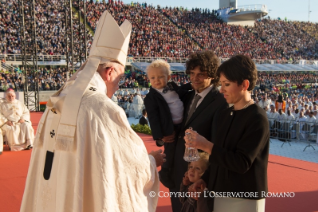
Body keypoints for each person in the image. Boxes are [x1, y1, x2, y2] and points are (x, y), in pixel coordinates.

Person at [20, 11, 165, 212]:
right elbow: (128, 165)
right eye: (120, 79)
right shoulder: (101, 107)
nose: (117, 86)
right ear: (109, 72)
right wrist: (151, 162)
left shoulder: (57, 100)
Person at [185, 55, 269, 212]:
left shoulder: (257, 118)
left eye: (227, 84)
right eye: (221, 84)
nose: (221, 89)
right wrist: (205, 179)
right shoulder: (224, 114)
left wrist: (206, 145)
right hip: (220, 193)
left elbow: (241, 163)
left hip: (245, 197)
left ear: (244, 84)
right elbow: (219, 158)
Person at [169, 51, 228, 212]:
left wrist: (204, 177)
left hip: (199, 177)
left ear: (213, 76)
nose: (195, 78)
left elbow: (217, 143)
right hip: (179, 172)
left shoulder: (221, 102)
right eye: (192, 73)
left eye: (201, 74)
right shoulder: (187, 96)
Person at [144, 59, 190, 189]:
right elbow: (153, 118)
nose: (157, 80)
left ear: (168, 77)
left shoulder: (173, 88)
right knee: (169, 152)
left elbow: (183, 91)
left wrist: (190, 87)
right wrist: (159, 137)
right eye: (153, 77)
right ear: (149, 79)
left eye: (161, 77)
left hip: (182, 125)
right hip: (169, 128)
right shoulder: (151, 97)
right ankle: (165, 171)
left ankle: (180, 171)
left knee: (181, 152)